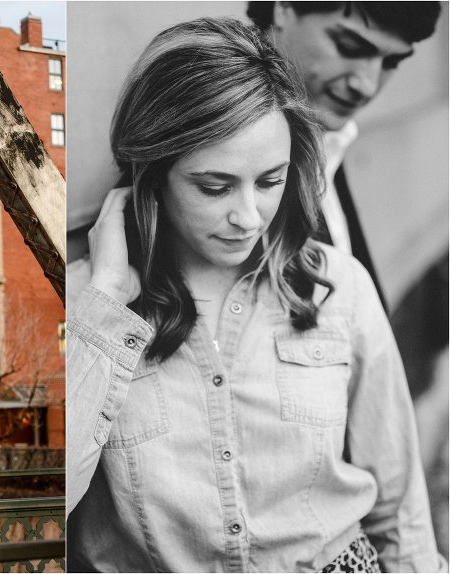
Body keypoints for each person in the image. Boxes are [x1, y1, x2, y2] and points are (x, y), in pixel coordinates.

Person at [66, 17, 443, 572]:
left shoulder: (340, 289)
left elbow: (402, 515)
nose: (248, 218)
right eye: (215, 187)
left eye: (270, 181)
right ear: (153, 172)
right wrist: (104, 305)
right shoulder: (85, 308)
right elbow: (58, 496)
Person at [246, 1, 442, 311]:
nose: (367, 85)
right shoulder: (216, 129)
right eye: (349, 46)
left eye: (392, 62)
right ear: (283, 7)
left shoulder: (324, 133)